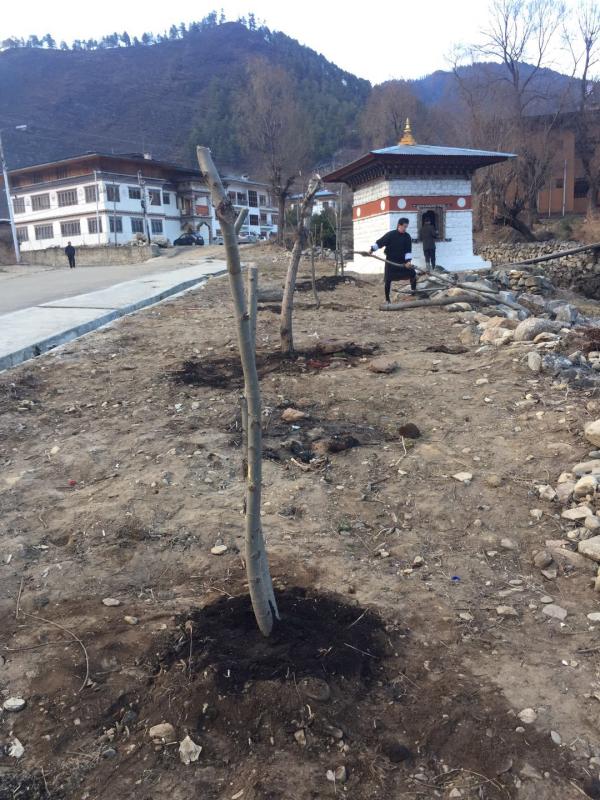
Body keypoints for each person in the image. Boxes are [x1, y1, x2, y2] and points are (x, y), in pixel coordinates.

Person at [369, 217, 416, 303]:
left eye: (406, 227)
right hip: (391, 261)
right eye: (404, 226)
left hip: (402, 263)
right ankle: (387, 299)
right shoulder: (391, 235)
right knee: (388, 279)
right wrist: (372, 249)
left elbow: (408, 251)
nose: (405, 229)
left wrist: (408, 261)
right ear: (399, 225)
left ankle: (413, 294)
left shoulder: (407, 237)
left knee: (413, 273)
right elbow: (380, 242)